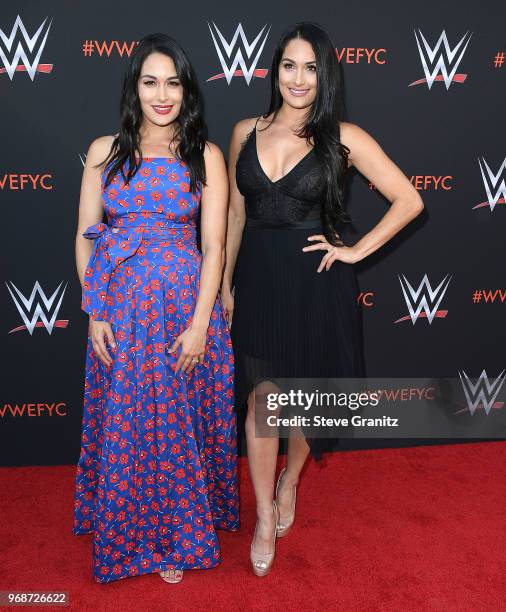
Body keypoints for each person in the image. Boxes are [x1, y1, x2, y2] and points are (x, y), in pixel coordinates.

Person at [222, 22, 424, 577]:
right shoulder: (244, 131)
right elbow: (236, 215)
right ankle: (264, 516)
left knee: (306, 405)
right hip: (259, 283)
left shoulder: (344, 137)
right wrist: (223, 286)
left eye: (311, 68)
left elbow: (409, 199)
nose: (299, 78)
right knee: (263, 403)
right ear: (275, 70)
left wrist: (357, 250)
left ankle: (291, 480)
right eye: (290, 65)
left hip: (318, 283)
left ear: (325, 74)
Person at [73, 33, 239, 584]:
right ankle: (129, 531)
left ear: (187, 90)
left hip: (183, 308)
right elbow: (85, 237)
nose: (162, 94)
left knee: (177, 421)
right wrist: (96, 311)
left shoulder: (206, 155)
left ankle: (175, 534)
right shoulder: (104, 151)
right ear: (134, 88)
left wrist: (199, 325)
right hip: (120, 309)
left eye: (173, 82)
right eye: (150, 82)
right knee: (131, 423)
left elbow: (213, 245)